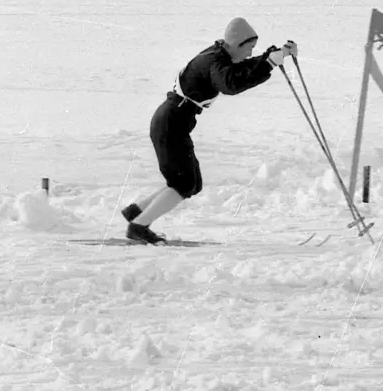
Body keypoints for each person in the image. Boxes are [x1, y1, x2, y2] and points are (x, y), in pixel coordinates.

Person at [121, 18, 296, 244]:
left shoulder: (218, 55)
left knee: (190, 183)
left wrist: (272, 57)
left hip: (172, 122)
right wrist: (268, 63)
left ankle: (137, 213)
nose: (250, 52)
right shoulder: (215, 62)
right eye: (249, 48)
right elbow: (231, 83)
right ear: (236, 43)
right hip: (171, 123)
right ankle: (138, 226)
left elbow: (239, 70)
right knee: (184, 184)